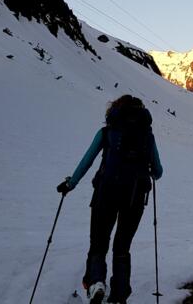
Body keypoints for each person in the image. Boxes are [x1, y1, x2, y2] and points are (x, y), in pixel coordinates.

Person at [56, 95, 163, 304]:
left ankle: (96, 283)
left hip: (105, 194)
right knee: (122, 247)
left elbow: (87, 161)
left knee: (98, 242)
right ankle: (119, 295)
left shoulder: (107, 133)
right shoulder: (147, 137)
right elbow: (158, 171)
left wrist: (70, 184)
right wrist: (149, 170)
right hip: (135, 198)